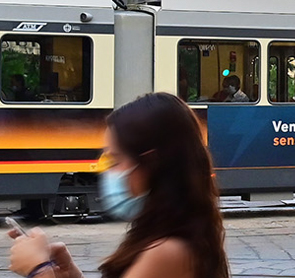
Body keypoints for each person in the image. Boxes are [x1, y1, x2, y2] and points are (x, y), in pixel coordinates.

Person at [7, 92, 229, 278]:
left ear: (151, 162)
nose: (107, 172)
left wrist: (39, 270)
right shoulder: (176, 235)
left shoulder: (169, 251)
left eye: (115, 160)